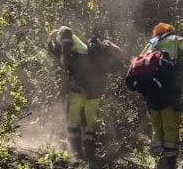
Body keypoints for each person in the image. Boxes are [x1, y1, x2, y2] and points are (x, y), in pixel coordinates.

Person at [47, 25, 126, 159]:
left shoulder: (63, 36)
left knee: (73, 117)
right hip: (96, 85)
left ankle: (77, 152)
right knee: (89, 119)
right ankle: (90, 152)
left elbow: (68, 60)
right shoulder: (82, 48)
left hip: (80, 82)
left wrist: (69, 77)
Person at [135, 22, 183, 169]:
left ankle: (158, 161)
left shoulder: (151, 43)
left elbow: (138, 63)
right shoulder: (176, 39)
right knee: (170, 123)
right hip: (169, 88)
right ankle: (170, 163)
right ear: (170, 31)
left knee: (156, 123)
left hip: (150, 91)